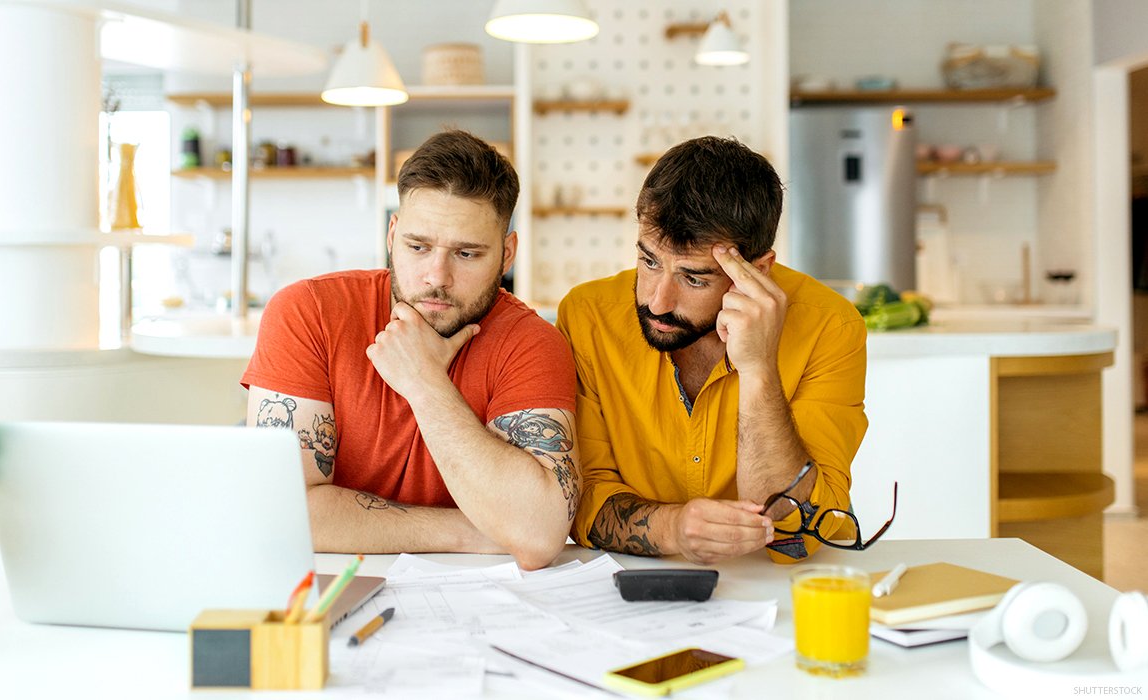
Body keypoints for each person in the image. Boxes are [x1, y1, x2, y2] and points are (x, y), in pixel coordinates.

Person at [242, 130, 578, 571]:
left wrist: (424, 383)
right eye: (418, 247)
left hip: (479, 605)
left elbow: (536, 535)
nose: (436, 276)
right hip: (328, 587)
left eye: (467, 254)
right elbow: (281, 511)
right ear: (391, 234)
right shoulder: (308, 312)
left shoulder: (531, 343)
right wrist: (465, 531)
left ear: (507, 254)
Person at [557, 136, 868, 565]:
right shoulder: (587, 316)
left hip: (778, 591)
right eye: (649, 262)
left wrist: (759, 370)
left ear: (755, 271)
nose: (658, 301)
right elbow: (581, 501)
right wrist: (673, 530)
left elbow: (796, 529)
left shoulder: (830, 326)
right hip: (632, 582)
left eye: (694, 278)